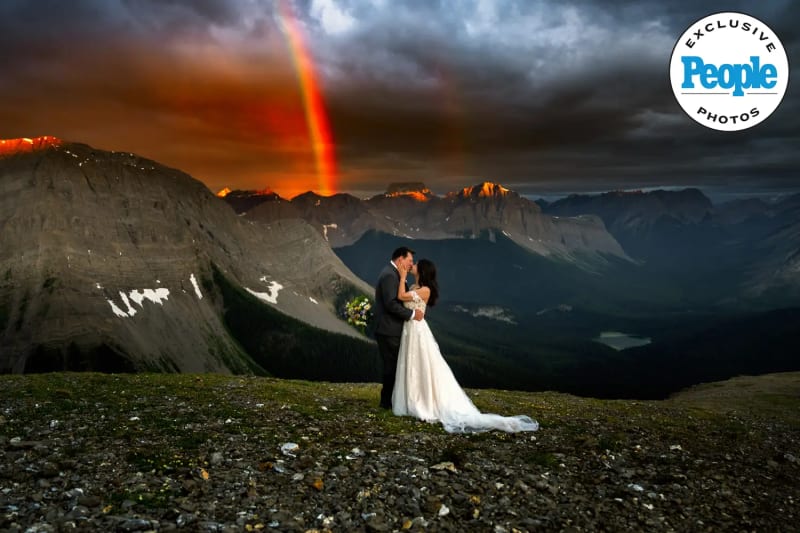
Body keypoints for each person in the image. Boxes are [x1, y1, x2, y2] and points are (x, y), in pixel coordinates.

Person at [392, 259, 539, 433]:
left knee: (422, 364)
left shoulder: (425, 290)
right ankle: (414, 398)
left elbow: (401, 297)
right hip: (410, 330)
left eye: (416, 265)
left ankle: (424, 402)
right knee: (412, 364)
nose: (412, 265)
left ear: (422, 271)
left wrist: (401, 277)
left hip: (418, 330)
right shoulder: (414, 288)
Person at [374, 247, 425, 409]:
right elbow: (390, 304)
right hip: (389, 330)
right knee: (392, 366)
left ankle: (392, 400)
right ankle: (386, 402)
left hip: (391, 328)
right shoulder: (390, 275)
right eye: (409, 260)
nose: (411, 264)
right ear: (400, 259)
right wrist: (411, 314)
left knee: (394, 365)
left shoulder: (393, 273)